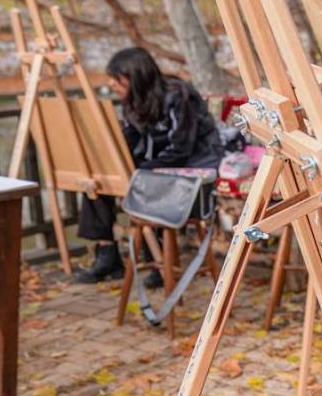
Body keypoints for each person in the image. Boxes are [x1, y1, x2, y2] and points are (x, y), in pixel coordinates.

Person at [75, 47, 223, 284]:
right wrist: (114, 160)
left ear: (136, 76)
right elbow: (131, 137)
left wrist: (142, 170)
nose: (111, 83)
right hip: (158, 163)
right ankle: (107, 254)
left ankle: (158, 259)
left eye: (116, 78)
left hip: (193, 163)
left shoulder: (178, 95)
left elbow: (181, 148)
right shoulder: (133, 100)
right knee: (100, 179)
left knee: (146, 182)